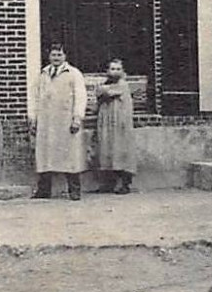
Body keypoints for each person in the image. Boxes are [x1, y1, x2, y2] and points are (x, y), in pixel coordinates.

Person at [31, 42, 87, 200]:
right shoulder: (43, 74)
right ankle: (44, 190)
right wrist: (33, 118)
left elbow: (80, 97)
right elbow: (35, 97)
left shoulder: (73, 73)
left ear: (65, 56)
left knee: (70, 155)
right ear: (49, 56)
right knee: (45, 156)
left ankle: (74, 190)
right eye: (53, 55)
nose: (56, 58)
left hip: (65, 120)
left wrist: (77, 118)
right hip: (47, 121)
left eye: (59, 55)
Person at [92, 58, 137, 194]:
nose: (115, 72)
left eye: (118, 69)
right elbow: (99, 94)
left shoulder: (123, 84)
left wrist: (101, 89)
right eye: (112, 69)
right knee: (106, 151)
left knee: (121, 151)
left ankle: (125, 184)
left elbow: (105, 92)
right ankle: (108, 184)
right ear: (107, 71)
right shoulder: (107, 83)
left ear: (122, 71)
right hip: (106, 122)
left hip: (120, 123)